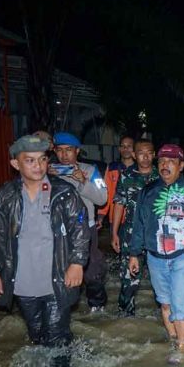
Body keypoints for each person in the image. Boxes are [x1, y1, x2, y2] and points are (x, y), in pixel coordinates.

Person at [0, 134, 89, 367]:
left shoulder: (64, 192)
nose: (38, 166)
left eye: (42, 159)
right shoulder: (5, 196)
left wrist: (76, 263)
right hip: (22, 280)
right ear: (16, 164)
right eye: (29, 160)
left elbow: (80, 229)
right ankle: (59, 356)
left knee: (54, 334)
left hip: (56, 278)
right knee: (38, 334)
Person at [129, 144, 184, 362]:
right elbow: (139, 224)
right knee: (165, 302)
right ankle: (174, 339)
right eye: (162, 161)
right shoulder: (148, 192)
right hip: (154, 256)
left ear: (181, 165)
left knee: (181, 304)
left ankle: (182, 349)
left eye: (171, 162)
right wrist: (134, 253)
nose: (165, 165)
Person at [50, 131, 108, 312]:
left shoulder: (91, 171)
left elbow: (102, 198)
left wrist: (83, 181)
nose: (64, 155)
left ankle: (97, 306)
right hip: (56, 231)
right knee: (57, 270)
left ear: (77, 151)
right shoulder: (45, 170)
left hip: (86, 229)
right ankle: (60, 309)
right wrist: (46, 176)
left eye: (69, 150)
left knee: (91, 269)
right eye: (59, 150)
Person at [111, 139, 159, 316]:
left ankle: (165, 317)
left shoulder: (162, 175)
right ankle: (125, 316)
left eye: (149, 153)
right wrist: (115, 233)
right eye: (140, 153)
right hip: (131, 235)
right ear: (134, 155)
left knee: (161, 280)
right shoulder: (126, 176)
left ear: (154, 155)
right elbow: (119, 204)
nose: (145, 157)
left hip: (158, 235)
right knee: (129, 280)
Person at [98, 135, 135, 229]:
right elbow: (106, 192)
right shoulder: (112, 168)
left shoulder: (140, 169)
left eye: (129, 146)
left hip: (135, 218)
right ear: (119, 149)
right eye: (123, 146)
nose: (126, 149)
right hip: (115, 219)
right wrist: (101, 215)